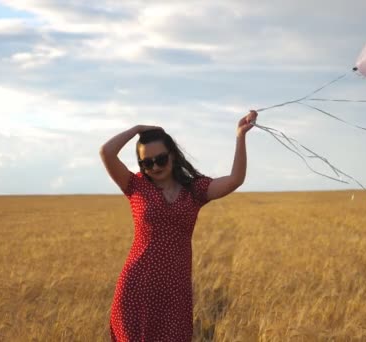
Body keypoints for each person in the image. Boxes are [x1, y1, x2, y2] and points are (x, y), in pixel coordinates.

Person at [99, 110, 258, 341]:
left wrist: (240, 136)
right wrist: (137, 129)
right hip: (136, 288)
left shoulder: (194, 190)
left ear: (172, 155)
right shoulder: (134, 185)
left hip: (174, 291)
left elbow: (235, 179)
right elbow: (106, 152)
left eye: (160, 159)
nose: (155, 166)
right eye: (147, 162)